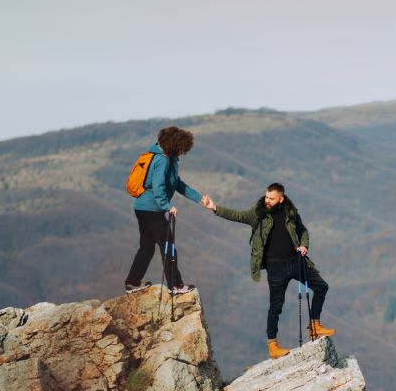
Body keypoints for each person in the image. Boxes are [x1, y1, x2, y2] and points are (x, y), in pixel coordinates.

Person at [210, 183, 333, 358]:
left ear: (281, 199)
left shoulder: (290, 211)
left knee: (322, 287)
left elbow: (302, 230)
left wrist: (304, 245)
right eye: (266, 197)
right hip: (275, 267)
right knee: (276, 306)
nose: (267, 200)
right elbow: (237, 215)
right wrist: (214, 208)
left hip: (296, 261)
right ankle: (273, 345)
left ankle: (314, 326)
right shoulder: (258, 213)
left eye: (271, 198)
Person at [125, 126, 214, 295]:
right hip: (152, 210)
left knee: (146, 247)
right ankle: (175, 285)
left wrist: (199, 198)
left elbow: (177, 184)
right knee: (168, 246)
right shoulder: (162, 160)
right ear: (175, 145)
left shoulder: (165, 157)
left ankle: (132, 282)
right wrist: (167, 206)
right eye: (182, 148)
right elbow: (158, 188)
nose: (183, 152)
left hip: (142, 208)